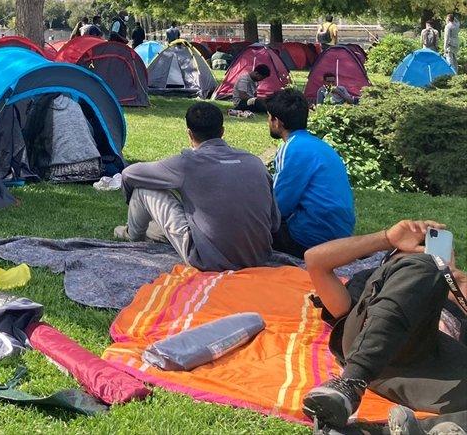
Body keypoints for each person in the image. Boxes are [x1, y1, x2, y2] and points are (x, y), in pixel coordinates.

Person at [301, 220, 466, 432]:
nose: (427, 253)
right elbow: (314, 260)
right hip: (371, 350)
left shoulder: (453, 295)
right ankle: (350, 384)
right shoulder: (367, 284)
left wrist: (456, 279)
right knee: (426, 266)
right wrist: (387, 238)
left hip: (430, 369)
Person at [115, 101, 277, 271]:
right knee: (159, 227)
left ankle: (131, 235)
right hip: (258, 257)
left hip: (208, 261)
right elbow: (274, 222)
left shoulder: (187, 164)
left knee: (143, 189)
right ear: (222, 131)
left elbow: (129, 174)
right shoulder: (255, 162)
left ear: (189, 133)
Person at [265, 88, 355, 258]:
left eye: (269, 117)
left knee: (249, 224)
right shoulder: (318, 145)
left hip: (311, 237)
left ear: (277, 122)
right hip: (340, 231)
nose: (268, 122)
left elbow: (279, 206)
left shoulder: (292, 147)